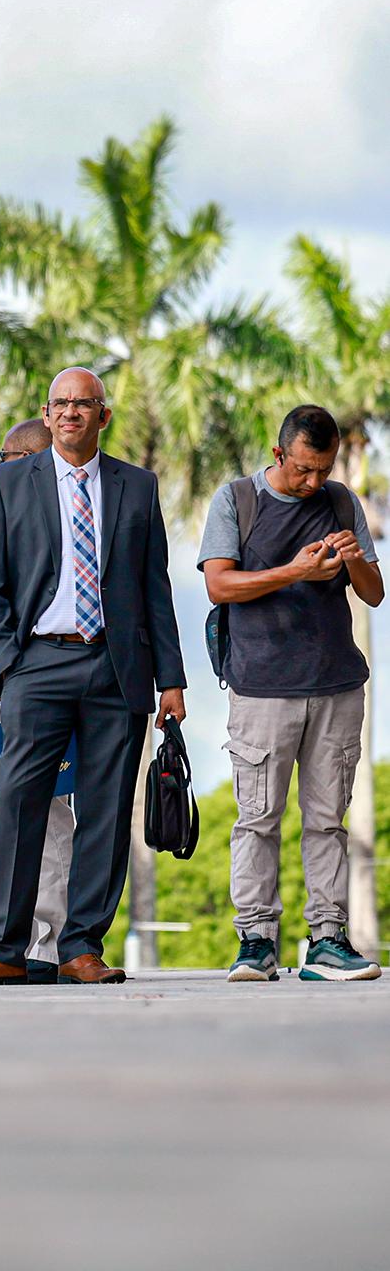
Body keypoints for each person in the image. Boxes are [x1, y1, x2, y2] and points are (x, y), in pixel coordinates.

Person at [0, 367, 186, 988]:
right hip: (36, 665)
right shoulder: (7, 483)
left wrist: (171, 679)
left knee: (104, 809)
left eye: (84, 404)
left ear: (103, 416)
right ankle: (1, 949)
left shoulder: (137, 486)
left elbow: (156, 586)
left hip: (116, 667)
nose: (71, 413)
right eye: (60, 404)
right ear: (47, 415)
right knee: (18, 804)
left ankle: (80, 947)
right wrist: (8, 666)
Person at [198, 405, 383, 983]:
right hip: (260, 687)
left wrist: (355, 561)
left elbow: (374, 595)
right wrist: (294, 573)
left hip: (336, 685)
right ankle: (256, 942)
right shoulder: (237, 501)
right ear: (279, 454)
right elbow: (219, 584)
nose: (311, 482)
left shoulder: (342, 501)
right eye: (302, 469)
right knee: (258, 818)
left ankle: (328, 940)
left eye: (321, 470)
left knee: (328, 819)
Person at [0, 418, 75, 983]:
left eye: (2, 456)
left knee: (48, 821)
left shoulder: (50, 522)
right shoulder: (1, 513)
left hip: (29, 695)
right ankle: (9, 938)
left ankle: (45, 946)